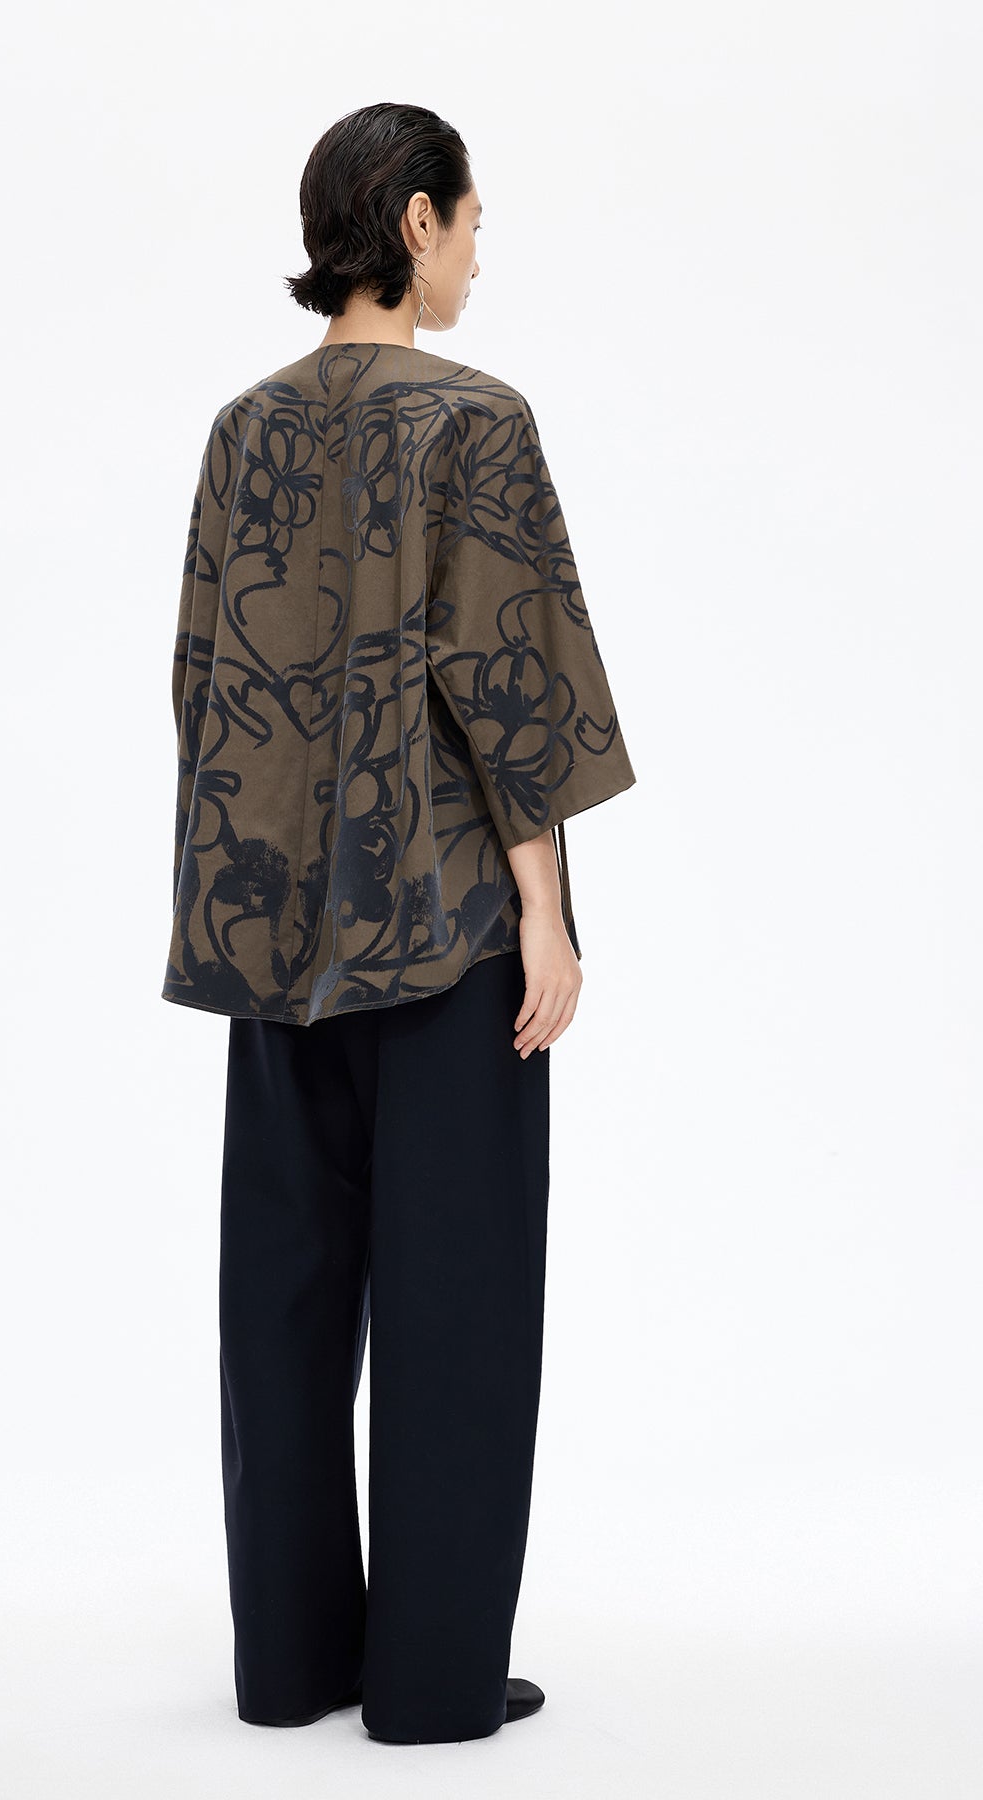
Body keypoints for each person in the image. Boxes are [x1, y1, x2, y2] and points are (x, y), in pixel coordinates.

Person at [162, 101, 637, 1745]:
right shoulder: (475, 421)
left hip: (273, 932)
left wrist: (253, 884)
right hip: (441, 933)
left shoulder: (243, 430)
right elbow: (513, 679)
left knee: (285, 1301)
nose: (479, 253)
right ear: (417, 221)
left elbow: (203, 680)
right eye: (473, 221)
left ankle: (292, 1665)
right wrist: (546, 916)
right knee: (458, 1299)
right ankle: (430, 1684)